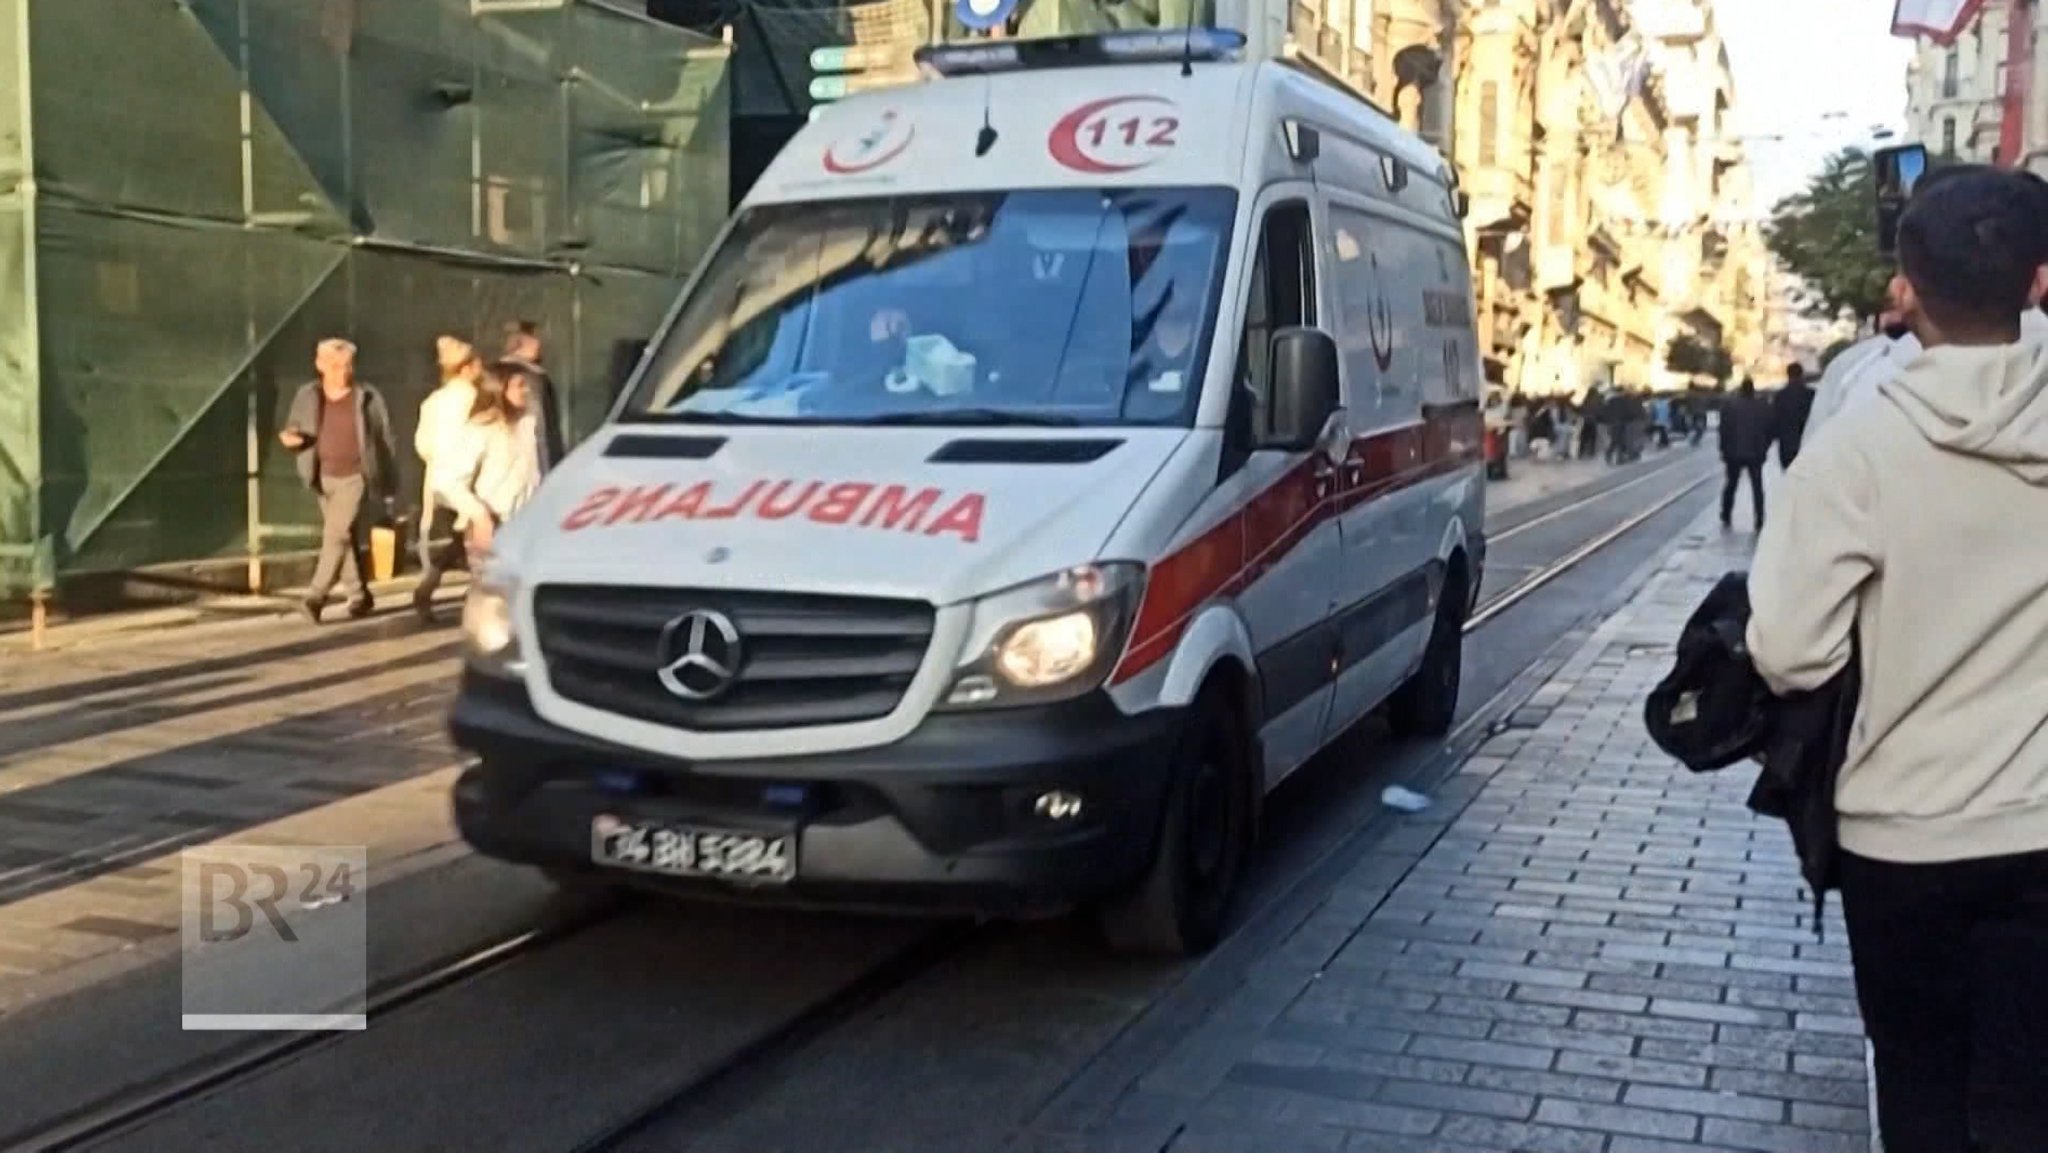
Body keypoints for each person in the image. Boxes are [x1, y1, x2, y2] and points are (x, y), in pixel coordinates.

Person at [1746, 167, 2048, 1153]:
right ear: (2038, 283)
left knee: (1920, 1099)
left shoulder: (1856, 442)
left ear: (1904, 289)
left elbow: (1787, 652)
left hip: (1903, 844)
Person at [279, 338, 398, 623]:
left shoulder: (367, 397)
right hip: (321, 475)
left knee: (335, 536)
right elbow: (294, 427)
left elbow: (385, 437)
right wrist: (291, 439)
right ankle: (359, 595)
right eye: (335, 366)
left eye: (347, 366)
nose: (342, 372)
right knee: (343, 539)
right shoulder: (307, 395)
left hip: (355, 476)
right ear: (319, 365)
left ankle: (315, 597)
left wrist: (389, 481)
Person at [428, 361, 544, 560]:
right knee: (491, 589)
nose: (525, 390)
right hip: (495, 527)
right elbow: (445, 481)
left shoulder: (530, 423)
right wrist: (480, 515)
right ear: (500, 389)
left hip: (529, 529)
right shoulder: (482, 429)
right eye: (519, 385)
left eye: (526, 385)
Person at [412, 337, 482, 621]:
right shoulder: (478, 401)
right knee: (479, 538)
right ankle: (474, 598)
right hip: (472, 481)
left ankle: (427, 588)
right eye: (476, 363)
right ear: (465, 368)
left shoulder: (432, 402)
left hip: (440, 481)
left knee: (458, 539)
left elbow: (422, 445)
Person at [500, 320, 566, 470]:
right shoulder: (531, 378)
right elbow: (542, 428)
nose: (539, 343)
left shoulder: (493, 374)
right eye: (534, 338)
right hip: (531, 465)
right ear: (522, 342)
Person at [1716, 377, 1772, 529]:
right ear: (1753, 390)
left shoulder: (1729, 406)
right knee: (1757, 486)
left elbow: (1723, 430)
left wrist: (1723, 449)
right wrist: (1764, 447)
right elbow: (1769, 428)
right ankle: (1759, 517)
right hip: (1755, 452)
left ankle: (1726, 513)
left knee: (1731, 484)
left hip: (1733, 453)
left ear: (1741, 390)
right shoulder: (1762, 406)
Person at [1772, 362, 1815, 468]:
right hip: (1808, 445)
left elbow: (1774, 422)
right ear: (1802, 375)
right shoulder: (1811, 395)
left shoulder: (1779, 397)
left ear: (1788, 375)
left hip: (1786, 447)